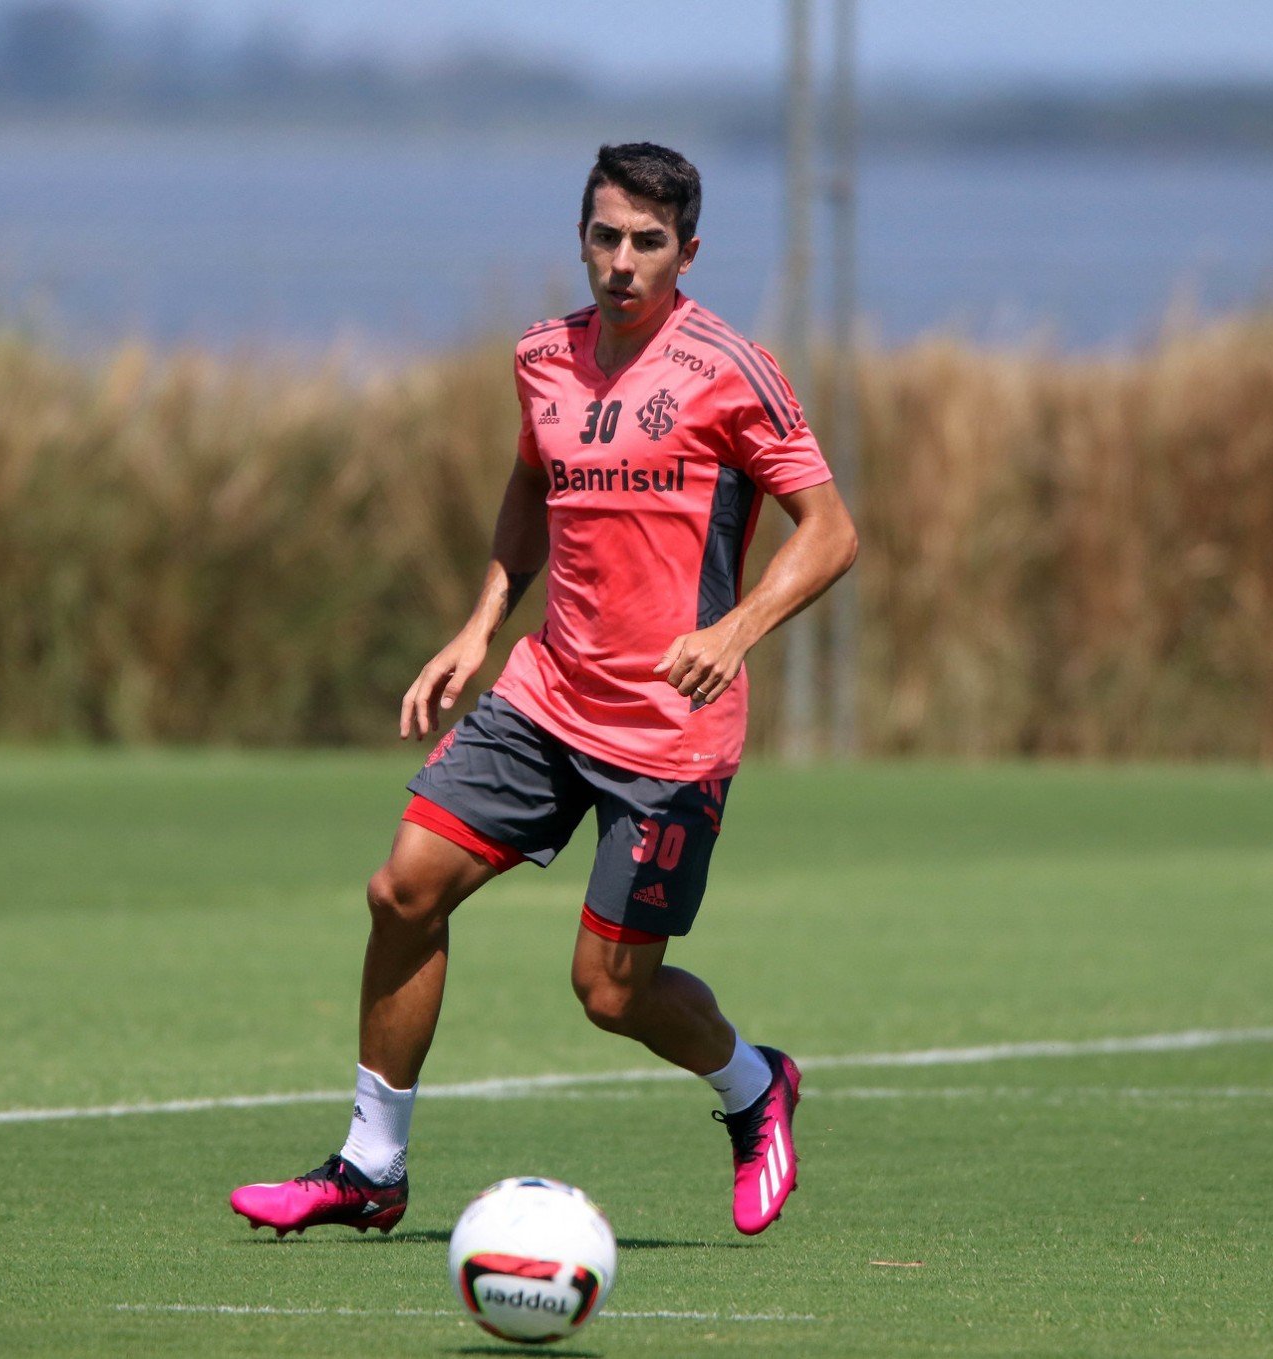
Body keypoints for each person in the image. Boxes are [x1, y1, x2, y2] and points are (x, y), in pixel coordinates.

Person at [230, 142, 859, 1240]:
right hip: (546, 695)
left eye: (648, 243)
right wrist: (480, 626)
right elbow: (531, 484)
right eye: (605, 236)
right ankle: (370, 1168)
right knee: (402, 890)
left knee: (611, 994)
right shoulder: (541, 358)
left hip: (671, 726)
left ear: (688, 252)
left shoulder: (731, 367)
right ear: (581, 237)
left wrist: (737, 628)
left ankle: (756, 1087)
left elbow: (835, 532)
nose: (622, 262)